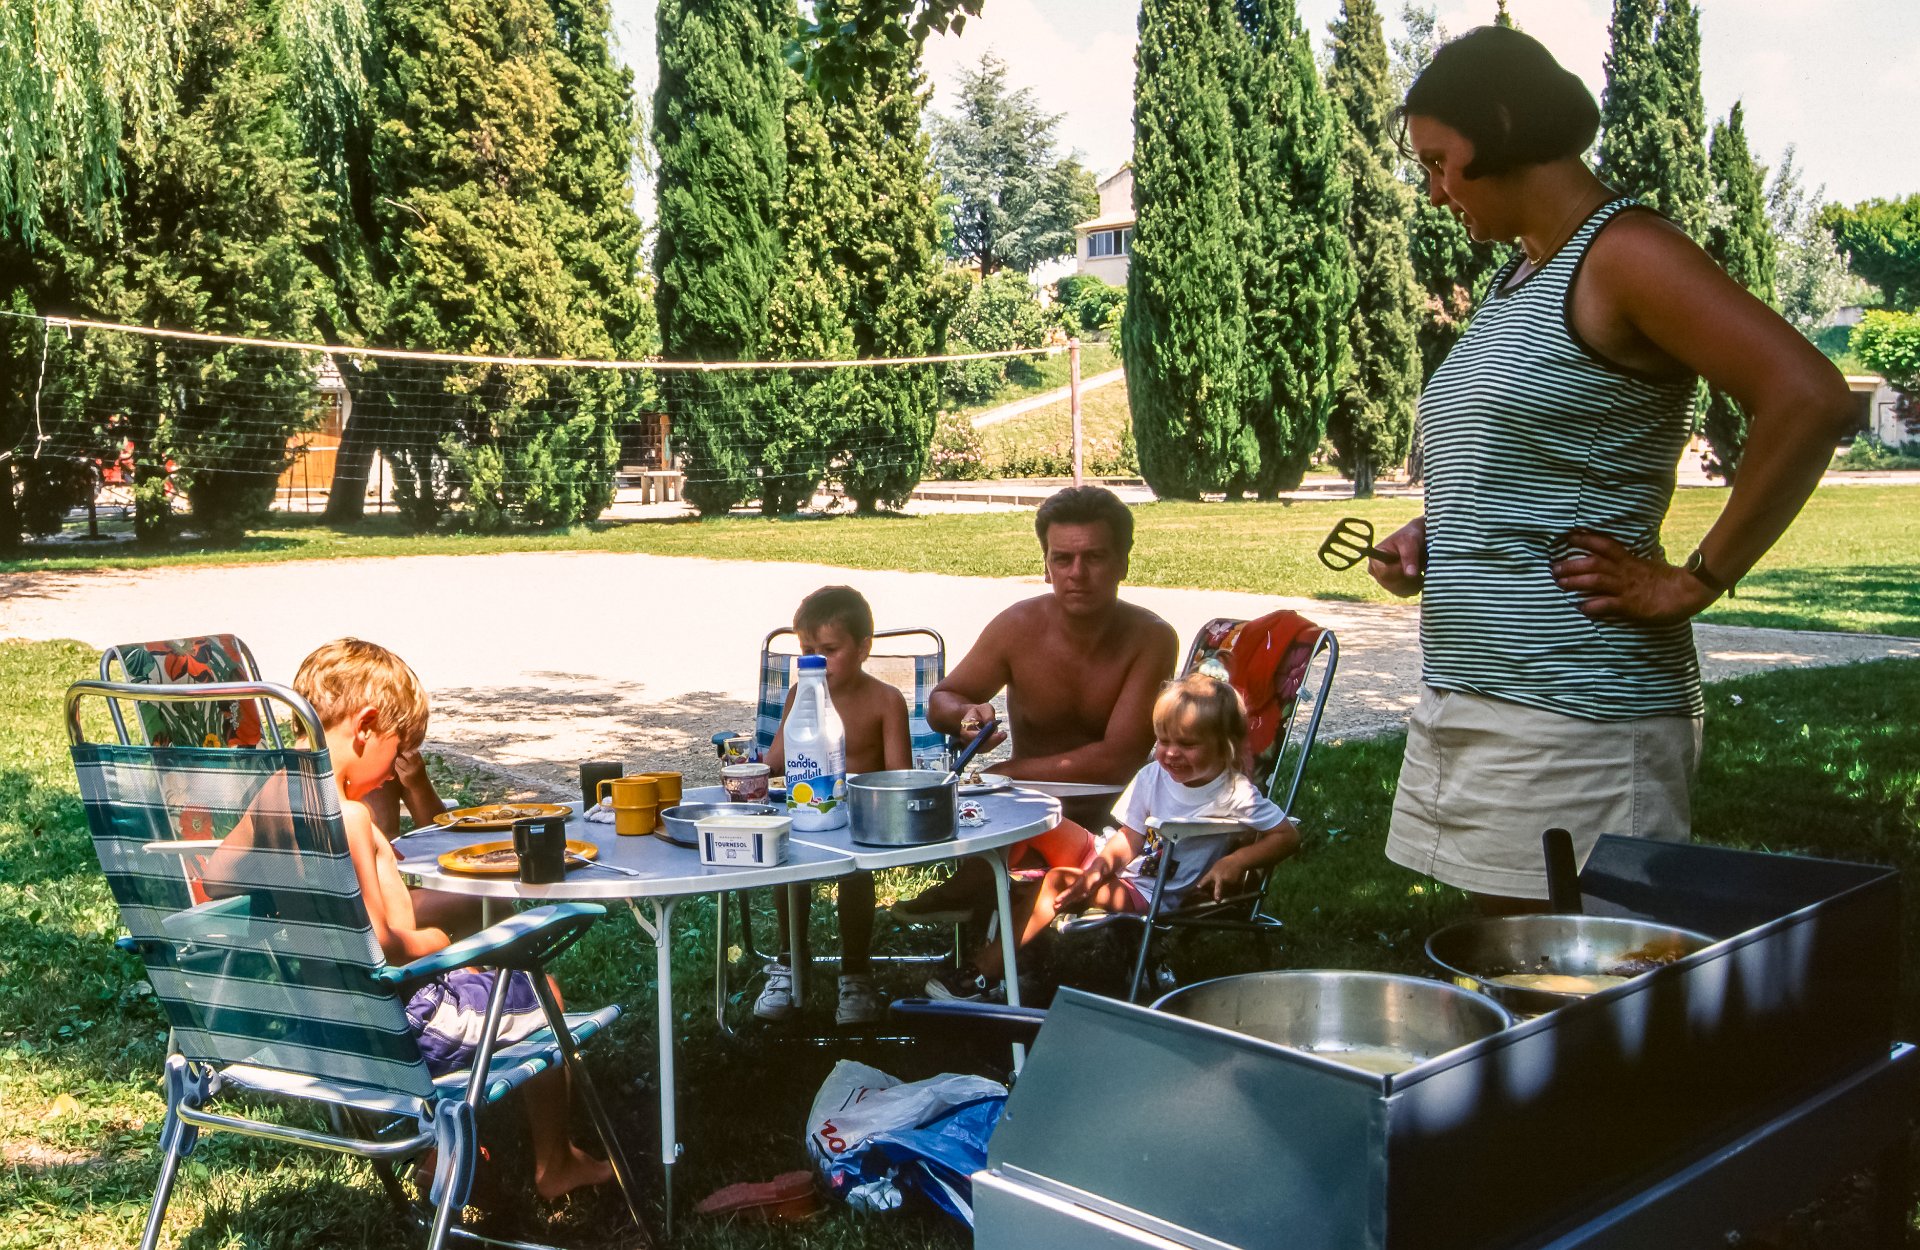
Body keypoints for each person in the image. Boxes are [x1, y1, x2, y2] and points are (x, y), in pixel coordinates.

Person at [1376, 27, 1854, 910]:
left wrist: (1695, 580)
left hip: (1579, 715)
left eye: (1440, 163)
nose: (1435, 192)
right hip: (1478, 700)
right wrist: (1440, 532)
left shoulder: (1624, 253)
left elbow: (1810, 398)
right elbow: (1538, 460)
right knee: (1498, 978)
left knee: (1573, 987)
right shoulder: (1522, 275)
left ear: (1502, 126)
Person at [225, 639, 614, 1200]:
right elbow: (385, 942)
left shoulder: (271, 795)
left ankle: (441, 1151)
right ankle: (554, 1164)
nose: (392, 770)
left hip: (327, 1020)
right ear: (366, 726)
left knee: (483, 987)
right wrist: (441, 943)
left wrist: (291, 889)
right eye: (397, 748)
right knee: (540, 993)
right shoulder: (347, 817)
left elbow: (219, 878)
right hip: (401, 1026)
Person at [904, 485, 1179, 1000]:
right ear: (1046, 565)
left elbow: (1118, 759)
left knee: (989, 797)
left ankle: (975, 897)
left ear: (1123, 562)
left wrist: (1004, 774)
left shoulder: (1150, 637)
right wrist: (966, 715)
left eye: (1095, 557)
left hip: (1112, 814)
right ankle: (983, 902)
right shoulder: (1018, 626)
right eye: (1063, 558)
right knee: (983, 802)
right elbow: (943, 699)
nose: (1078, 573)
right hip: (1029, 809)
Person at [927, 674, 1299, 997]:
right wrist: (1097, 870)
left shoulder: (1233, 793)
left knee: (1056, 883)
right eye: (1163, 740)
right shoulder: (1154, 775)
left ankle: (983, 973)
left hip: (1149, 892)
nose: (1170, 754)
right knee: (1038, 823)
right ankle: (969, 898)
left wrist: (1236, 861)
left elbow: (1287, 835)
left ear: (1224, 744)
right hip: (1112, 857)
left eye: (1187, 744)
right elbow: (1129, 838)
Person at [759, 587, 910, 1026]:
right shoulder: (798, 697)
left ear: (863, 648)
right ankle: (791, 961)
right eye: (807, 651)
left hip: (861, 822)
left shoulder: (885, 701)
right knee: (786, 864)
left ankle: (856, 971)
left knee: (856, 875)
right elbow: (775, 763)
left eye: (829, 650)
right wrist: (748, 770)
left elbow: (900, 777)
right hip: (807, 814)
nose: (817, 662)